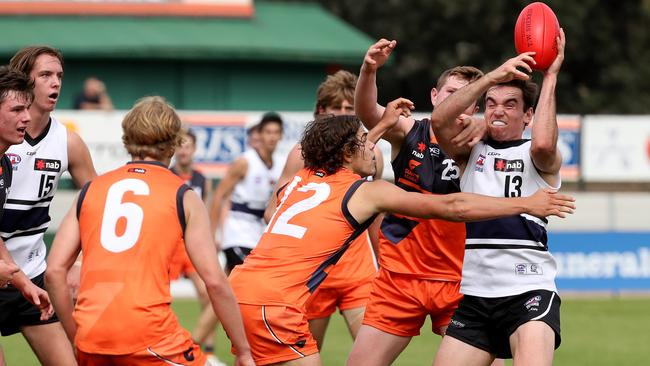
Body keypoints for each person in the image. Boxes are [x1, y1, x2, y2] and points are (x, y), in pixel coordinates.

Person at [230, 101, 574, 366]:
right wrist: (525, 203)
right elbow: (453, 207)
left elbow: (344, 157)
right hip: (275, 304)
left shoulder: (300, 179)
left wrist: (380, 125)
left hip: (241, 288)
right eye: (365, 143)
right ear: (349, 153)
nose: (373, 148)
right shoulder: (367, 192)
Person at [45, 96, 254, 366]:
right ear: (175, 142)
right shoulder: (183, 195)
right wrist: (244, 350)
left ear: (127, 137)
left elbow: (53, 272)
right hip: (148, 335)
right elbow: (215, 282)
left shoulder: (90, 190)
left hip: (91, 335)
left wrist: (77, 337)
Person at [347, 39, 488, 366]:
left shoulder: (484, 145)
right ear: (434, 97)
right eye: (450, 92)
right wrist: (369, 70)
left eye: (466, 96)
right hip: (400, 279)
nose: (456, 101)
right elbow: (369, 113)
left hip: (461, 282)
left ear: (474, 108)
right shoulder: (410, 131)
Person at [429, 31, 566, 366]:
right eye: (491, 104)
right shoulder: (469, 148)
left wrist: (550, 76)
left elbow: (545, 145)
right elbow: (439, 121)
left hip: (529, 290)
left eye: (510, 104)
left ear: (528, 115)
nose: (498, 111)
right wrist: (491, 77)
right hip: (476, 296)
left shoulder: (536, 155)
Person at [263, 70, 384, 351]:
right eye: (337, 108)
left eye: (349, 108)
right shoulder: (300, 154)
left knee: (373, 355)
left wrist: (384, 264)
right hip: (314, 272)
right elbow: (273, 212)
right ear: (321, 111)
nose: (344, 115)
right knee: (306, 354)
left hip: (358, 272)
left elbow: (377, 214)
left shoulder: (372, 154)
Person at [0, 46, 97, 366]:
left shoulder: (67, 142)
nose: (55, 83)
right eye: (45, 75)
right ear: (23, 81)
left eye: (59, 76)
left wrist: (80, 261)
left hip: (30, 273)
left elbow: (97, 204)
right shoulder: (6, 142)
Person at [169, 128, 224, 365]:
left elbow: (209, 209)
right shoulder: (167, 176)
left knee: (209, 294)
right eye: (180, 145)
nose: (183, 150)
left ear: (194, 149)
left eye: (188, 145)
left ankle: (207, 352)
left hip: (192, 245)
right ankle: (160, 345)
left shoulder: (202, 179)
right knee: (158, 297)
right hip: (170, 244)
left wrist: (211, 239)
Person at [0, 66, 35, 366]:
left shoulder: (5, 164)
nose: (27, 117)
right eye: (16, 109)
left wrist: (23, 282)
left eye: (27, 108)